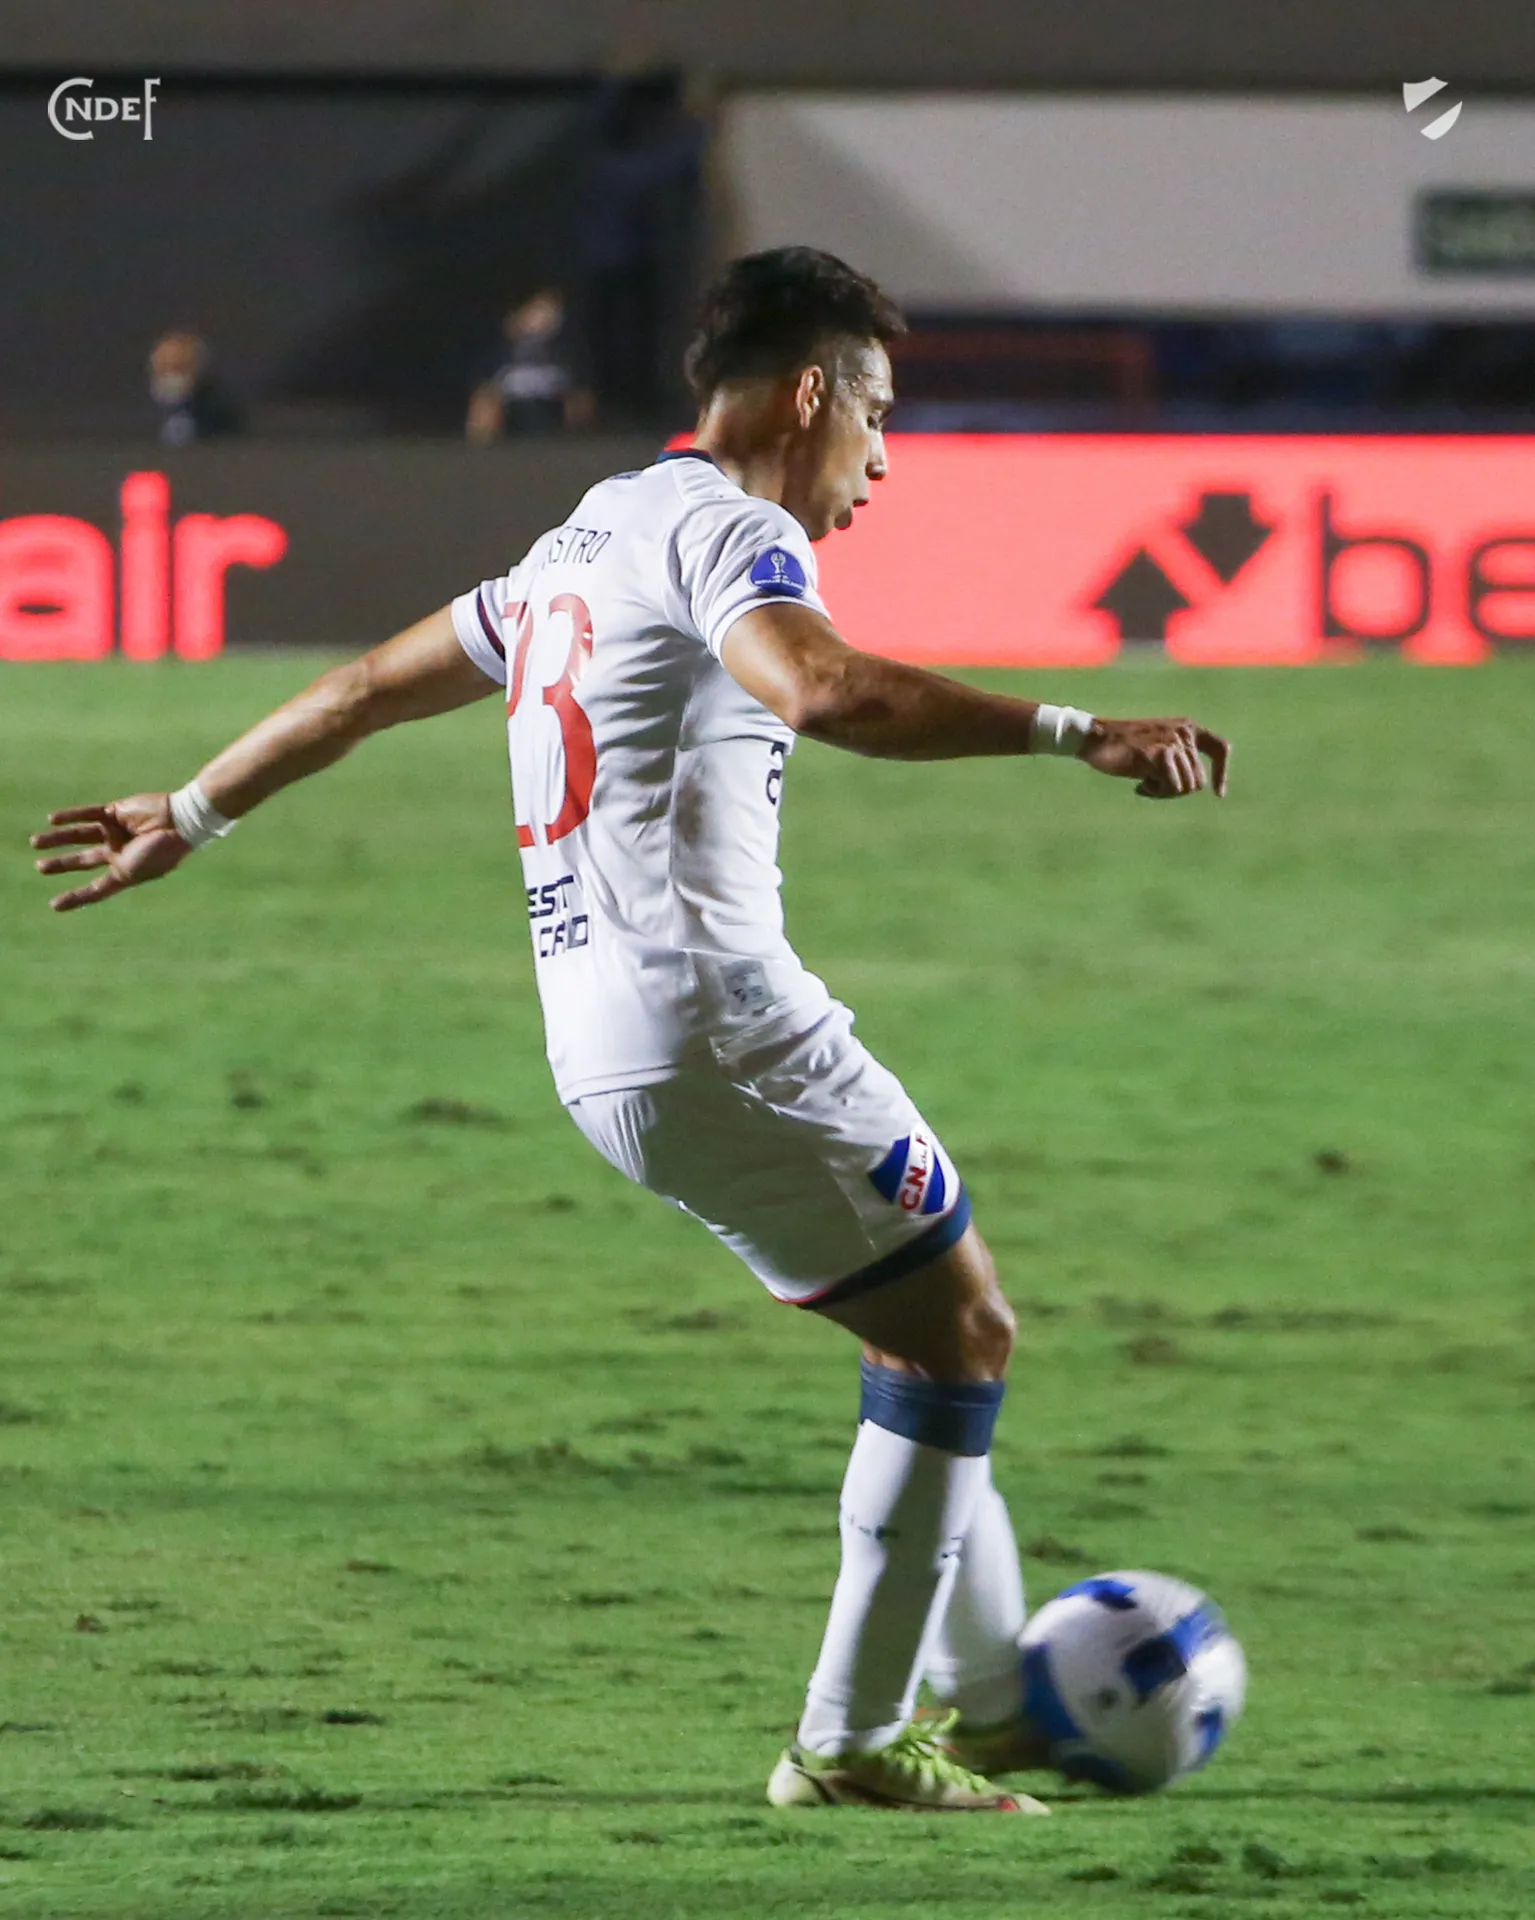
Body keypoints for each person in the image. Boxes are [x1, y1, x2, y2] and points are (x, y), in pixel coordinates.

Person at [32, 247, 1230, 1815]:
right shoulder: (723, 529)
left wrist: (192, 810)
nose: (880, 459)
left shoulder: (583, 535)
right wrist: (1075, 729)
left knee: (922, 1334)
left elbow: (366, 687)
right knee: (964, 1335)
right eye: (875, 414)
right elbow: (820, 691)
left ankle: (989, 1702)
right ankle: (855, 1741)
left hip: (600, 1049)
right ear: (807, 393)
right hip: (721, 1023)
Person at [465, 289, 593, 443]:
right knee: (484, 399)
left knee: (580, 398)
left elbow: (574, 373)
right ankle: (481, 442)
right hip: (512, 384)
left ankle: (578, 440)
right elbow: (488, 371)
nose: (546, 318)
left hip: (550, 384)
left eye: (553, 313)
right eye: (539, 311)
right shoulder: (505, 343)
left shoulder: (563, 345)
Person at [148, 331, 245, 445]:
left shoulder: (217, 408)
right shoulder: (143, 408)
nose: (171, 375)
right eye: (164, 366)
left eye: (179, 367)